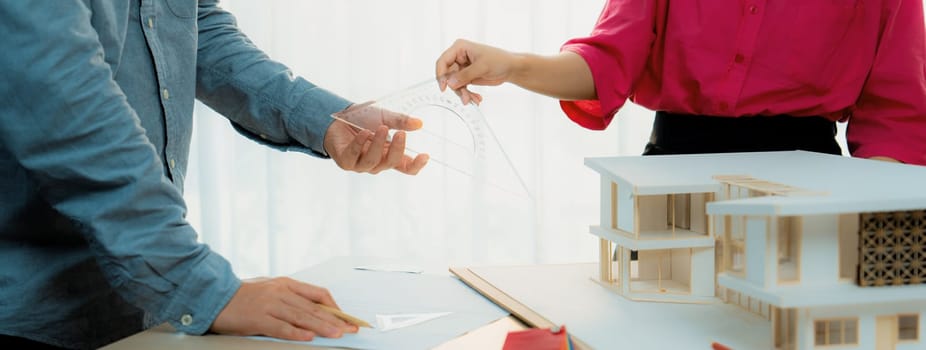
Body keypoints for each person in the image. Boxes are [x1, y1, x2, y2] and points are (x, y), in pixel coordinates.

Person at [0, 1, 428, 349]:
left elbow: (194, 26)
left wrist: (325, 120)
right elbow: (66, 103)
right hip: (26, 309)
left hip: (137, 300)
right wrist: (204, 289)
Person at [435, 0, 926, 165]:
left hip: (813, 183)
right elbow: (606, 63)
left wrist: (863, 237)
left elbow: (895, 118)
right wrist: (511, 65)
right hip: (673, 174)